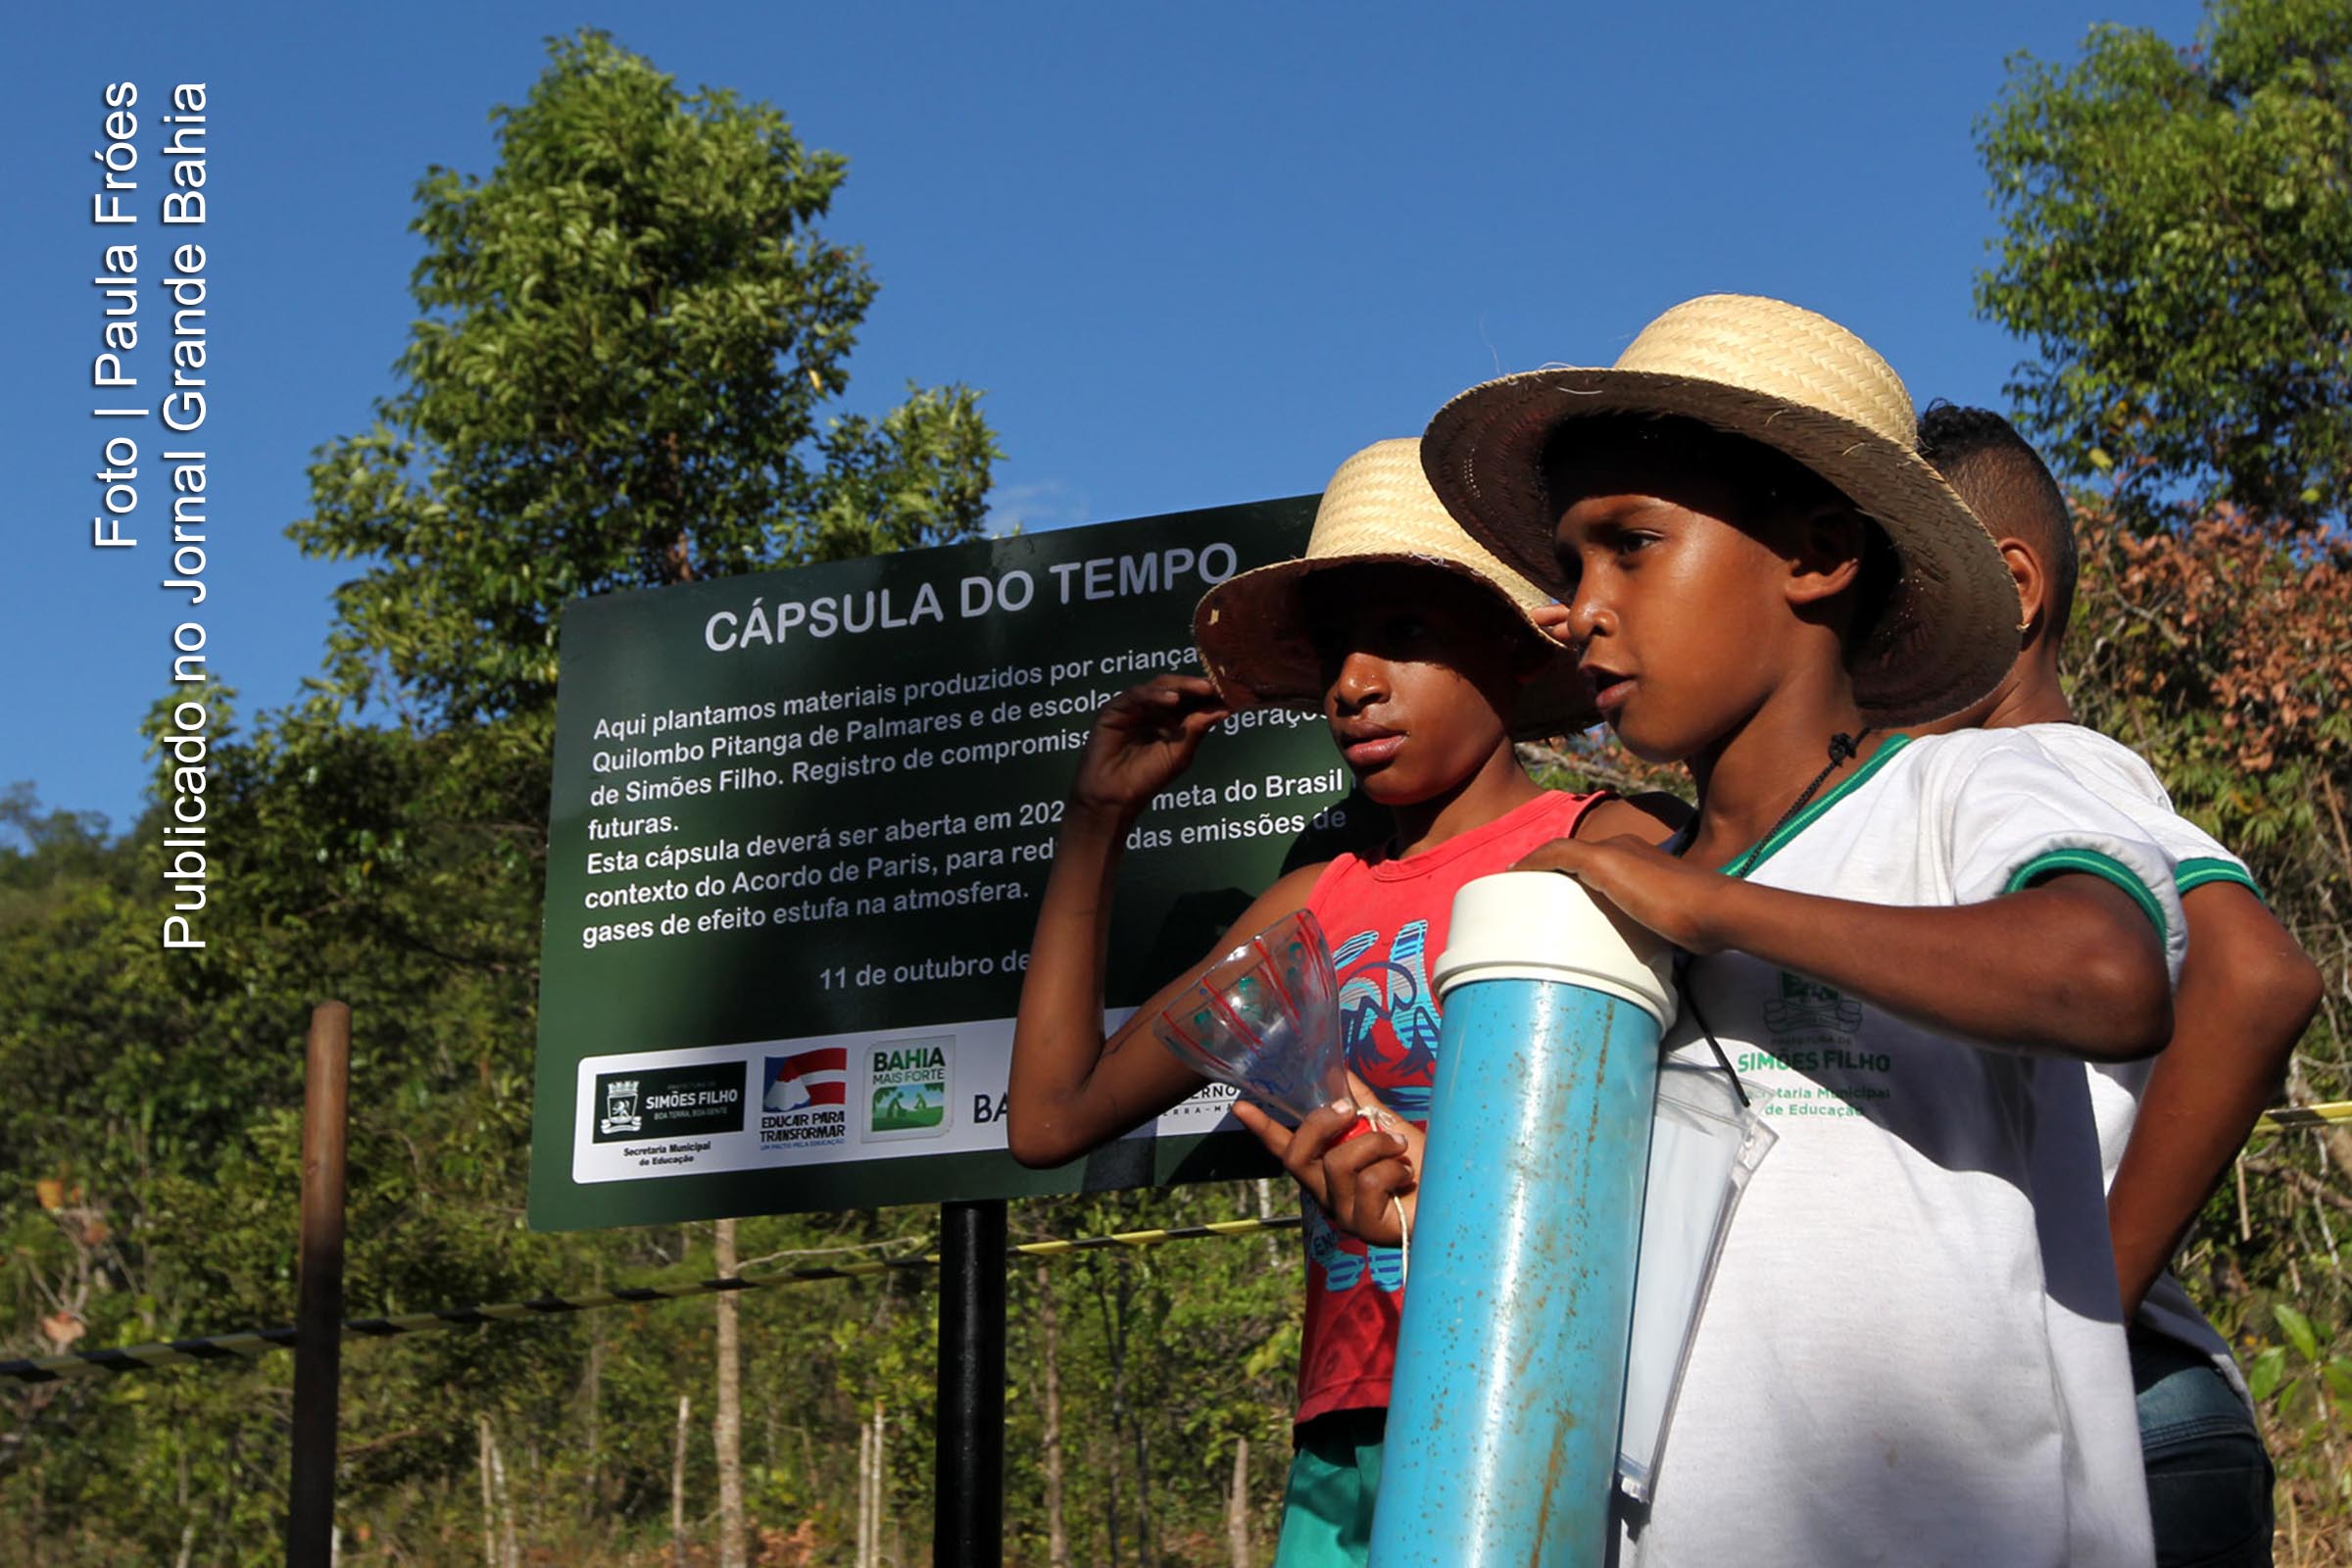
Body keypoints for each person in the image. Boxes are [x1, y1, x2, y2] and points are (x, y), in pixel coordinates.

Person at [1371, 293, 2191, 1565]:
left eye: (1630, 545)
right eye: (1569, 565)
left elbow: (2108, 975)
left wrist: (1717, 906)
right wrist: (1451, 1193)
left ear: (1816, 553)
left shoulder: (1963, 793)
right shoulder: (1618, 910)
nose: (1576, 609)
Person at [1005, 436, 1681, 1568]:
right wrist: (1095, 821)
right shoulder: (1315, 908)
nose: (1352, 684)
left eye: (1403, 637)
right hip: (1347, 1443)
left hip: (1547, 1414)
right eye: (1333, 652)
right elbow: (1051, 1116)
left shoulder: (1605, 845)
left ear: (1514, 655)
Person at [1915, 402, 2321, 1568]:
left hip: (2115, 1414)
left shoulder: (2027, 762)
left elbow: (2258, 976)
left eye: (1895, 587)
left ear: (2014, 587)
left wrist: (2086, 1303)